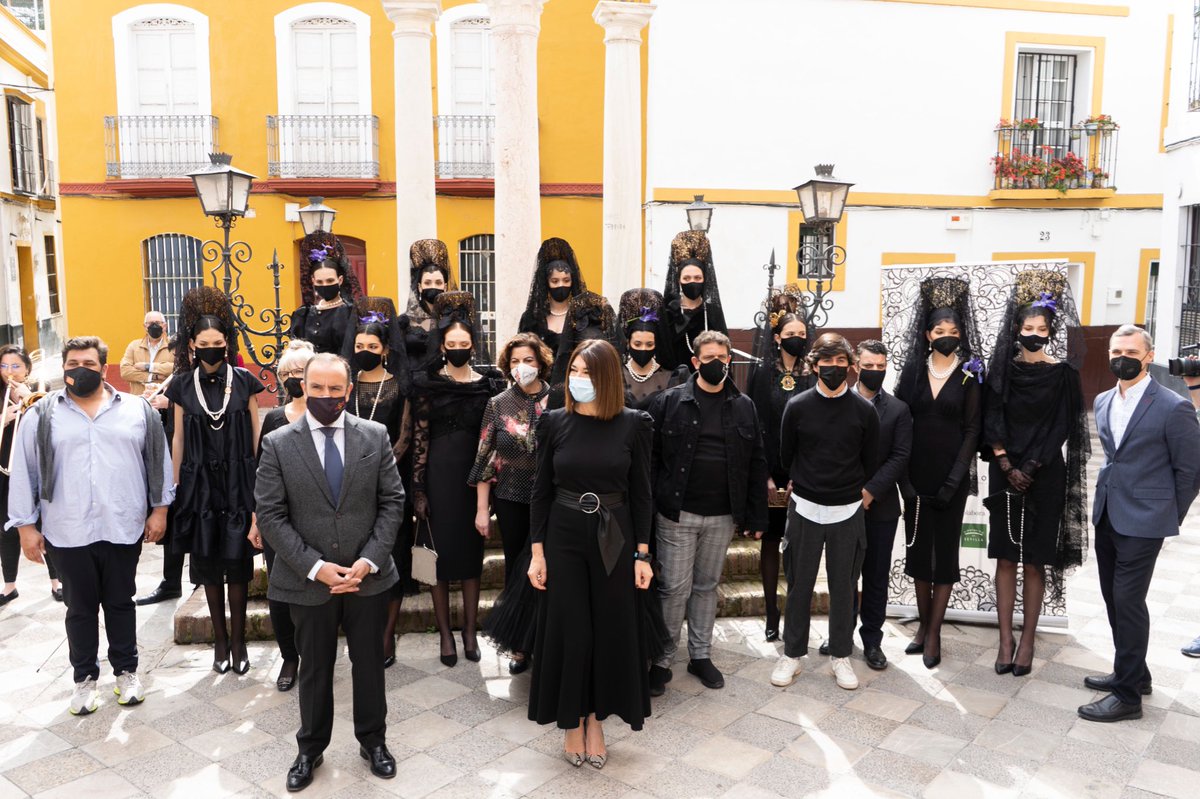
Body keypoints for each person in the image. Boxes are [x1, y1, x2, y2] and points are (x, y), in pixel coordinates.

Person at [256, 352, 405, 791]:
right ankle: (310, 748)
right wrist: (316, 567)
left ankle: (373, 742)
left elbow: (392, 502)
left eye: (335, 388)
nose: (326, 395)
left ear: (348, 390)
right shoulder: (278, 443)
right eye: (317, 387)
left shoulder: (374, 435)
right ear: (302, 386)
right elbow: (271, 515)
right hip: (308, 581)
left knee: (370, 664)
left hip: (367, 577)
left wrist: (369, 560)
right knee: (314, 667)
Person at [8, 336, 173, 714]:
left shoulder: (136, 410)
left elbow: (158, 460)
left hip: (122, 525)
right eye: (72, 364)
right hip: (67, 530)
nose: (79, 370)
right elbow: (24, 471)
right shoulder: (41, 415)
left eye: (88, 364)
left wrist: (160, 510)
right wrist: (25, 527)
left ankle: (126, 672)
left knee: (121, 602)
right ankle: (84, 679)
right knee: (79, 609)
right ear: (63, 368)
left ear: (103, 367)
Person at [527, 339, 653, 769]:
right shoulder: (554, 422)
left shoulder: (633, 424)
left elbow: (642, 494)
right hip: (563, 535)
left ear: (607, 377)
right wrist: (537, 554)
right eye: (574, 371)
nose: (579, 379)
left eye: (588, 372)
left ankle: (596, 720)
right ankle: (572, 720)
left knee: (608, 630)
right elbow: (540, 491)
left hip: (615, 535)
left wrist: (643, 555)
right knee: (572, 631)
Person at [1078, 325, 1200, 723]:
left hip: (1145, 520)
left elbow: (1190, 471)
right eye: (1116, 351)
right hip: (1108, 513)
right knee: (1113, 598)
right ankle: (1134, 673)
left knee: (1128, 602)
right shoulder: (1102, 400)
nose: (1122, 358)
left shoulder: (1173, 406)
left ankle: (1127, 697)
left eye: (1131, 352)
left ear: (1149, 356)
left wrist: (1166, 514)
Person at [647, 330, 767, 695]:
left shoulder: (744, 405)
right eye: (709, 358)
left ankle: (700, 655)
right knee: (673, 588)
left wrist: (756, 515)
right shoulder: (669, 401)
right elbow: (651, 459)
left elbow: (756, 461)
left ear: (729, 359)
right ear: (696, 362)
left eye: (722, 357)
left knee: (706, 587)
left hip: (722, 515)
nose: (717, 363)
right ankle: (662, 659)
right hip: (677, 513)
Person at [982, 272, 1089, 678]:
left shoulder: (1064, 374)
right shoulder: (1000, 371)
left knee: (1034, 561)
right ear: (1016, 329)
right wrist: (1005, 462)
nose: (1033, 335)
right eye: (1027, 328)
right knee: (1006, 557)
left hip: (1044, 474)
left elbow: (1061, 425)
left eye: (1041, 329)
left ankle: (1027, 640)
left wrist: (1030, 466)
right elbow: (990, 416)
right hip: (1004, 471)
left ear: (1051, 332)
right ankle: (1005, 640)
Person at [771, 333, 879, 691]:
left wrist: (851, 490)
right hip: (805, 508)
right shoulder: (797, 406)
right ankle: (792, 654)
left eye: (840, 362)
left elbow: (870, 460)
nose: (834, 367)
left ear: (851, 366)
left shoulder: (864, 410)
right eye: (827, 361)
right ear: (814, 365)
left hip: (847, 510)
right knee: (799, 586)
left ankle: (841, 656)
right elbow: (786, 456)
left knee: (844, 587)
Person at [166, 287, 264, 675]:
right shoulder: (180, 385)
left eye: (217, 344)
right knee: (208, 566)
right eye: (204, 344)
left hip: (240, 482)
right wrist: (176, 487)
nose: (211, 350)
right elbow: (177, 438)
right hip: (200, 486)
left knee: (237, 565)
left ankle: (239, 643)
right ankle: (219, 643)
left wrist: (260, 487)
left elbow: (256, 436)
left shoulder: (244, 381)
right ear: (192, 345)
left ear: (227, 343)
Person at [411, 291, 506, 666]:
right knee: (435, 558)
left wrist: (491, 489)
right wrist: (418, 489)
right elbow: (419, 440)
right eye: (451, 344)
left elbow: (494, 440)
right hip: (438, 480)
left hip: (474, 482)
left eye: (463, 344)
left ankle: (468, 631)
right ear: (442, 345)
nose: (457, 349)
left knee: (470, 558)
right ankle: (445, 635)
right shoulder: (427, 383)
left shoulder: (489, 384)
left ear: (473, 345)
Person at [894, 277, 982, 669]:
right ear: (927, 334)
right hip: (914, 476)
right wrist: (904, 480)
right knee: (917, 552)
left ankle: (934, 633)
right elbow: (899, 422)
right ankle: (922, 625)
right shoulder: (913, 371)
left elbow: (973, 430)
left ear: (961, 335)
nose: (947, 336)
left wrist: (954, 479)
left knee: (943, 554)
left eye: (953, 331)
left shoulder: (970, 374)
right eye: (940, 330)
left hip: (952, 479)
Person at [470, 332, 553, 674]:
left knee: (551, 569)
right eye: (515, 361)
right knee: (517, 570)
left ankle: (547, 639)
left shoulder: (559, 399)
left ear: (541, 363)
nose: (522, 367)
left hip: (552, 499)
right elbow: (484, 457)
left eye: (528, 360)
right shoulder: (498, 403)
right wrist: (481, 509)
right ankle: (520, 646)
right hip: (511, 498)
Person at [344, 298, 411, 668]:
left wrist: (379, 467)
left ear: (385, 350)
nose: (364, 352)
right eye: (359, 346)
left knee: (392, 553)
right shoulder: (345, 386)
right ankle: (362, 631)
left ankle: (387, 635)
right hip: (349, 484)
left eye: (372, 346)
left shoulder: (399, 386)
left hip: (389, 482)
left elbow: (404, 436)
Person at [746, 288, 814, 640]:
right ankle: (771, 612)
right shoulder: (762, 373)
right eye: (790, 334)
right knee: (771, 541)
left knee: (801, 545)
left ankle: (796, 613)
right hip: (771, 472)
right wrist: (765, 477)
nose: (796, 338)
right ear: (777, 337)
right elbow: (754, 425)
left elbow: (817, 428)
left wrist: (799, 475)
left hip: (804, 473)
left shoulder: (813, 373)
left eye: (802, 333)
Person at [248, 339, 315, 692]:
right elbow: (261, 474)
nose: (293, 377)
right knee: (279, 590)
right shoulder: (274, 418)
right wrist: (256, 519)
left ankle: (315, 653)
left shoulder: (328, 416)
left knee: (316, 589)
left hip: (319, 521)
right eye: (286, 372)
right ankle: (290, 656)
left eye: (299, 371)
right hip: (278, 521)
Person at [849, 339, 911, 670]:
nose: (875, 371)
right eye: (868, 366)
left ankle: (872, 640)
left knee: (875, 577)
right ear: (855, 366)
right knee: (844, 576)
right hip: (842, 505)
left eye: (881, 366)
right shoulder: (839, 402)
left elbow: (900, 456)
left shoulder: (899, 410)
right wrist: (850, 492)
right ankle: (841, 634)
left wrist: (871, 491)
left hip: (882, 507)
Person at [0, 345, 60, 606]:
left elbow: (54, 423)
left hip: (36, 467)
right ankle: (9, 586)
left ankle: (57, 582)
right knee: (5, 528)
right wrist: (3, 419)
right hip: (4, 468)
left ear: (27, 369)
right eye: (4, 366)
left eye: (16, 366)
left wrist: (28, 400)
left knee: (46, 524)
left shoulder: (39, 391)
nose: (9, 371)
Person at [660, 230, 728, 371]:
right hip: (676, 378)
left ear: (704, 279)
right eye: (687, 278)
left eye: (697, 278)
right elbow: (664, 352)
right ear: (679, 280)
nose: (692, 282)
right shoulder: (669, 311)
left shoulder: (712, 311)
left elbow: (724, 349)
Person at [616, 288, 686, 409]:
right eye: (637, 344)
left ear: (656, 344)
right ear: (628, 343)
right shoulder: (616, 375)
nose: (643, 349)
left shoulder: (671, 377)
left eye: (649, 344)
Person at [519, 237, 587, 360]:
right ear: (546, 283)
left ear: (572, 281)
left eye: (566, 280)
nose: (561, 285)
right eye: (555, 281)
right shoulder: (532, 319)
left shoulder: (583, 316)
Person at [289, 240, 359, 355]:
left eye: (330, 280)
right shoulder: (304, 314)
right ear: (313, 281)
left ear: (340, 280)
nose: (325, 285)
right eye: (320, 282)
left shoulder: (351, 312)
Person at [399, 239, 454, 366]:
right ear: (419, 287)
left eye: (438, 283)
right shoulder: (404, 322)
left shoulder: (454, 319)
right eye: (428, 283)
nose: (433, 286)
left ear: (445, 287)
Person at [550, 290, 620, 389]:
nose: (589, 354)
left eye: (587, 372)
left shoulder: (619, 392)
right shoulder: (560, 393)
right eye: (574, 370)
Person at [120, 310, 174, 397]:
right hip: (139, 400)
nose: (154, 326)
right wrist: (153, 376)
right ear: (145, 326)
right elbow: (125, 371)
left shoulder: (174, 346)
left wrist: (148, 366)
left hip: (165, 400)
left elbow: (176, 368)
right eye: (150, 323)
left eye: (157, 323)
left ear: (164, 326)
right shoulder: (134, 346)